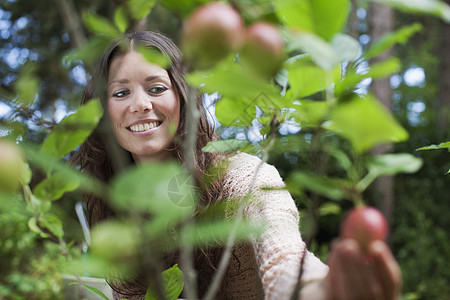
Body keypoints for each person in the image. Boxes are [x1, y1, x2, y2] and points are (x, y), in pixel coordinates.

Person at [73, 31, 402, 300]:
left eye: (157, 88)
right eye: (120, 93)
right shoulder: (117, 211)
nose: (140, 105)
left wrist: (322, 291)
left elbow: (284, 259)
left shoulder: (242, 177)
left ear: (184, 98)